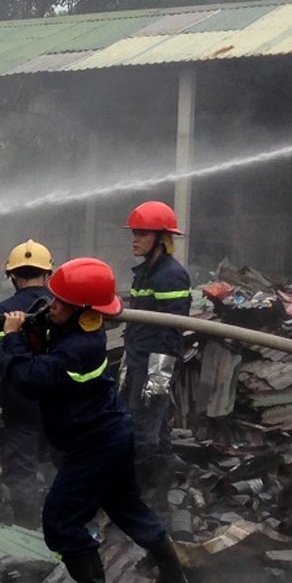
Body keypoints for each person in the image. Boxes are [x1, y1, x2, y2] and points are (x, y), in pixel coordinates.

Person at [0, 256, 191, 583]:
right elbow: (51, 335)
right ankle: (175, 579)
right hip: (109, 434)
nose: (53, 306)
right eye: (54, 299)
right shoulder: (81, 329)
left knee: (59, 519)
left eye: (61, 303)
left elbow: (29, 379)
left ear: (83, 310)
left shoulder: (79, 347)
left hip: (95, 444)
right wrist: (34, 322)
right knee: (127, 507)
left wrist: (12, 339)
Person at [0, 240, 54, 522]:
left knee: (23, 468)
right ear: (47, 273)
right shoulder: (61, 307)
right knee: (68, 463)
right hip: (62, 401)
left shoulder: (3, 311)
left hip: (21, 404)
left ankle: (27, 526)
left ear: (13, 276)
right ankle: (74, 523)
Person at [123, 200, 191, 504]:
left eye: (142, 233)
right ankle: (162, 493)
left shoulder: (170, 276)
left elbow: (171, 331)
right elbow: (138, 321)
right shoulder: (146, 272)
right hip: (139, 359)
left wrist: (159, 376)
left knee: (142, 430)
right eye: (135, 232)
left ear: (162, 238)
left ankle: (143, 496)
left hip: (154, 364)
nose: (135, 238)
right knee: (158, 428)